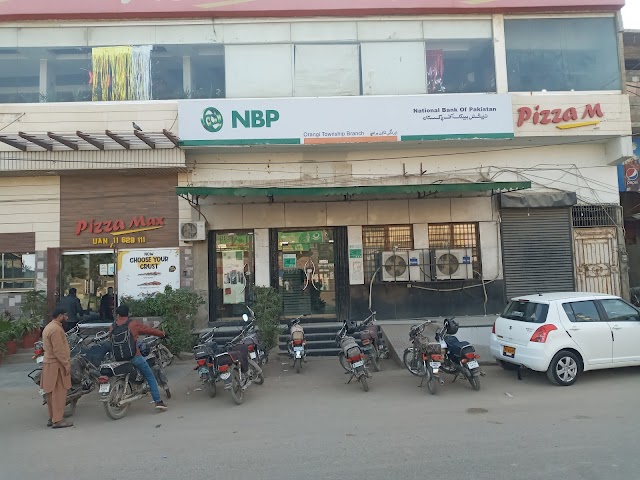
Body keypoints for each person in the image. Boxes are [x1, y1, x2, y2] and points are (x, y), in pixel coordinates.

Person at [109, 305, 168, 411]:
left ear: (117, 315)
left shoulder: (112, 327)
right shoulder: (132, 324)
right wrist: (162, 334)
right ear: (128, 313)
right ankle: (158, 401)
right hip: (134, 356)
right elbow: (148, 330)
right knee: (150, 376)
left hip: (118, 358)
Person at [41, 307, 73, 428]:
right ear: (60, 316)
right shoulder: (56, 330)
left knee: (51, 394)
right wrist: (66, 364)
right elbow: (58, 350)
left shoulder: (49, 327)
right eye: (65, 315)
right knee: (59, 394)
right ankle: (58, 420)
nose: (67, 318)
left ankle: (52, 417)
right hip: (56, 365)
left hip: (49, 364)